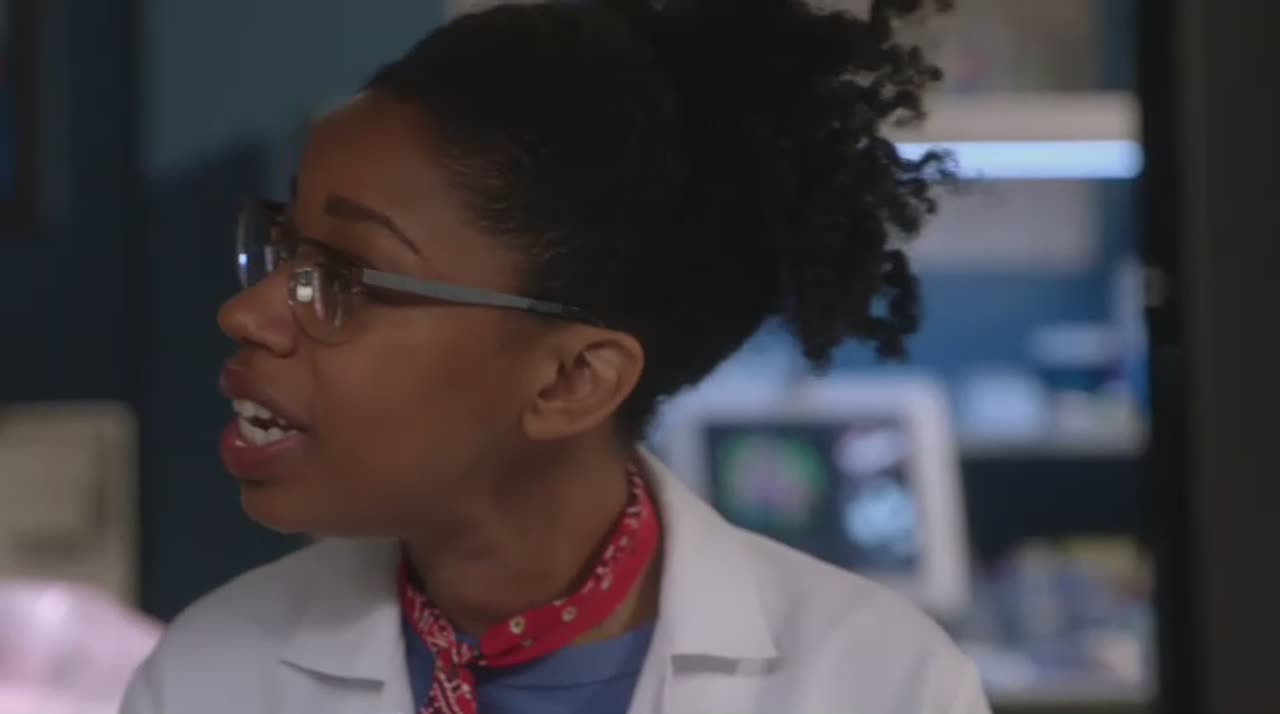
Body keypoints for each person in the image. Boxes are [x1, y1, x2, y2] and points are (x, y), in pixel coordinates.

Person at [122, 0, 988, 712]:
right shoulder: (209, 676)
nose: (247, 312)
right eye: (286, 248)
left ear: (572, 380)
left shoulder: (883, 684)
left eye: (345, 277)